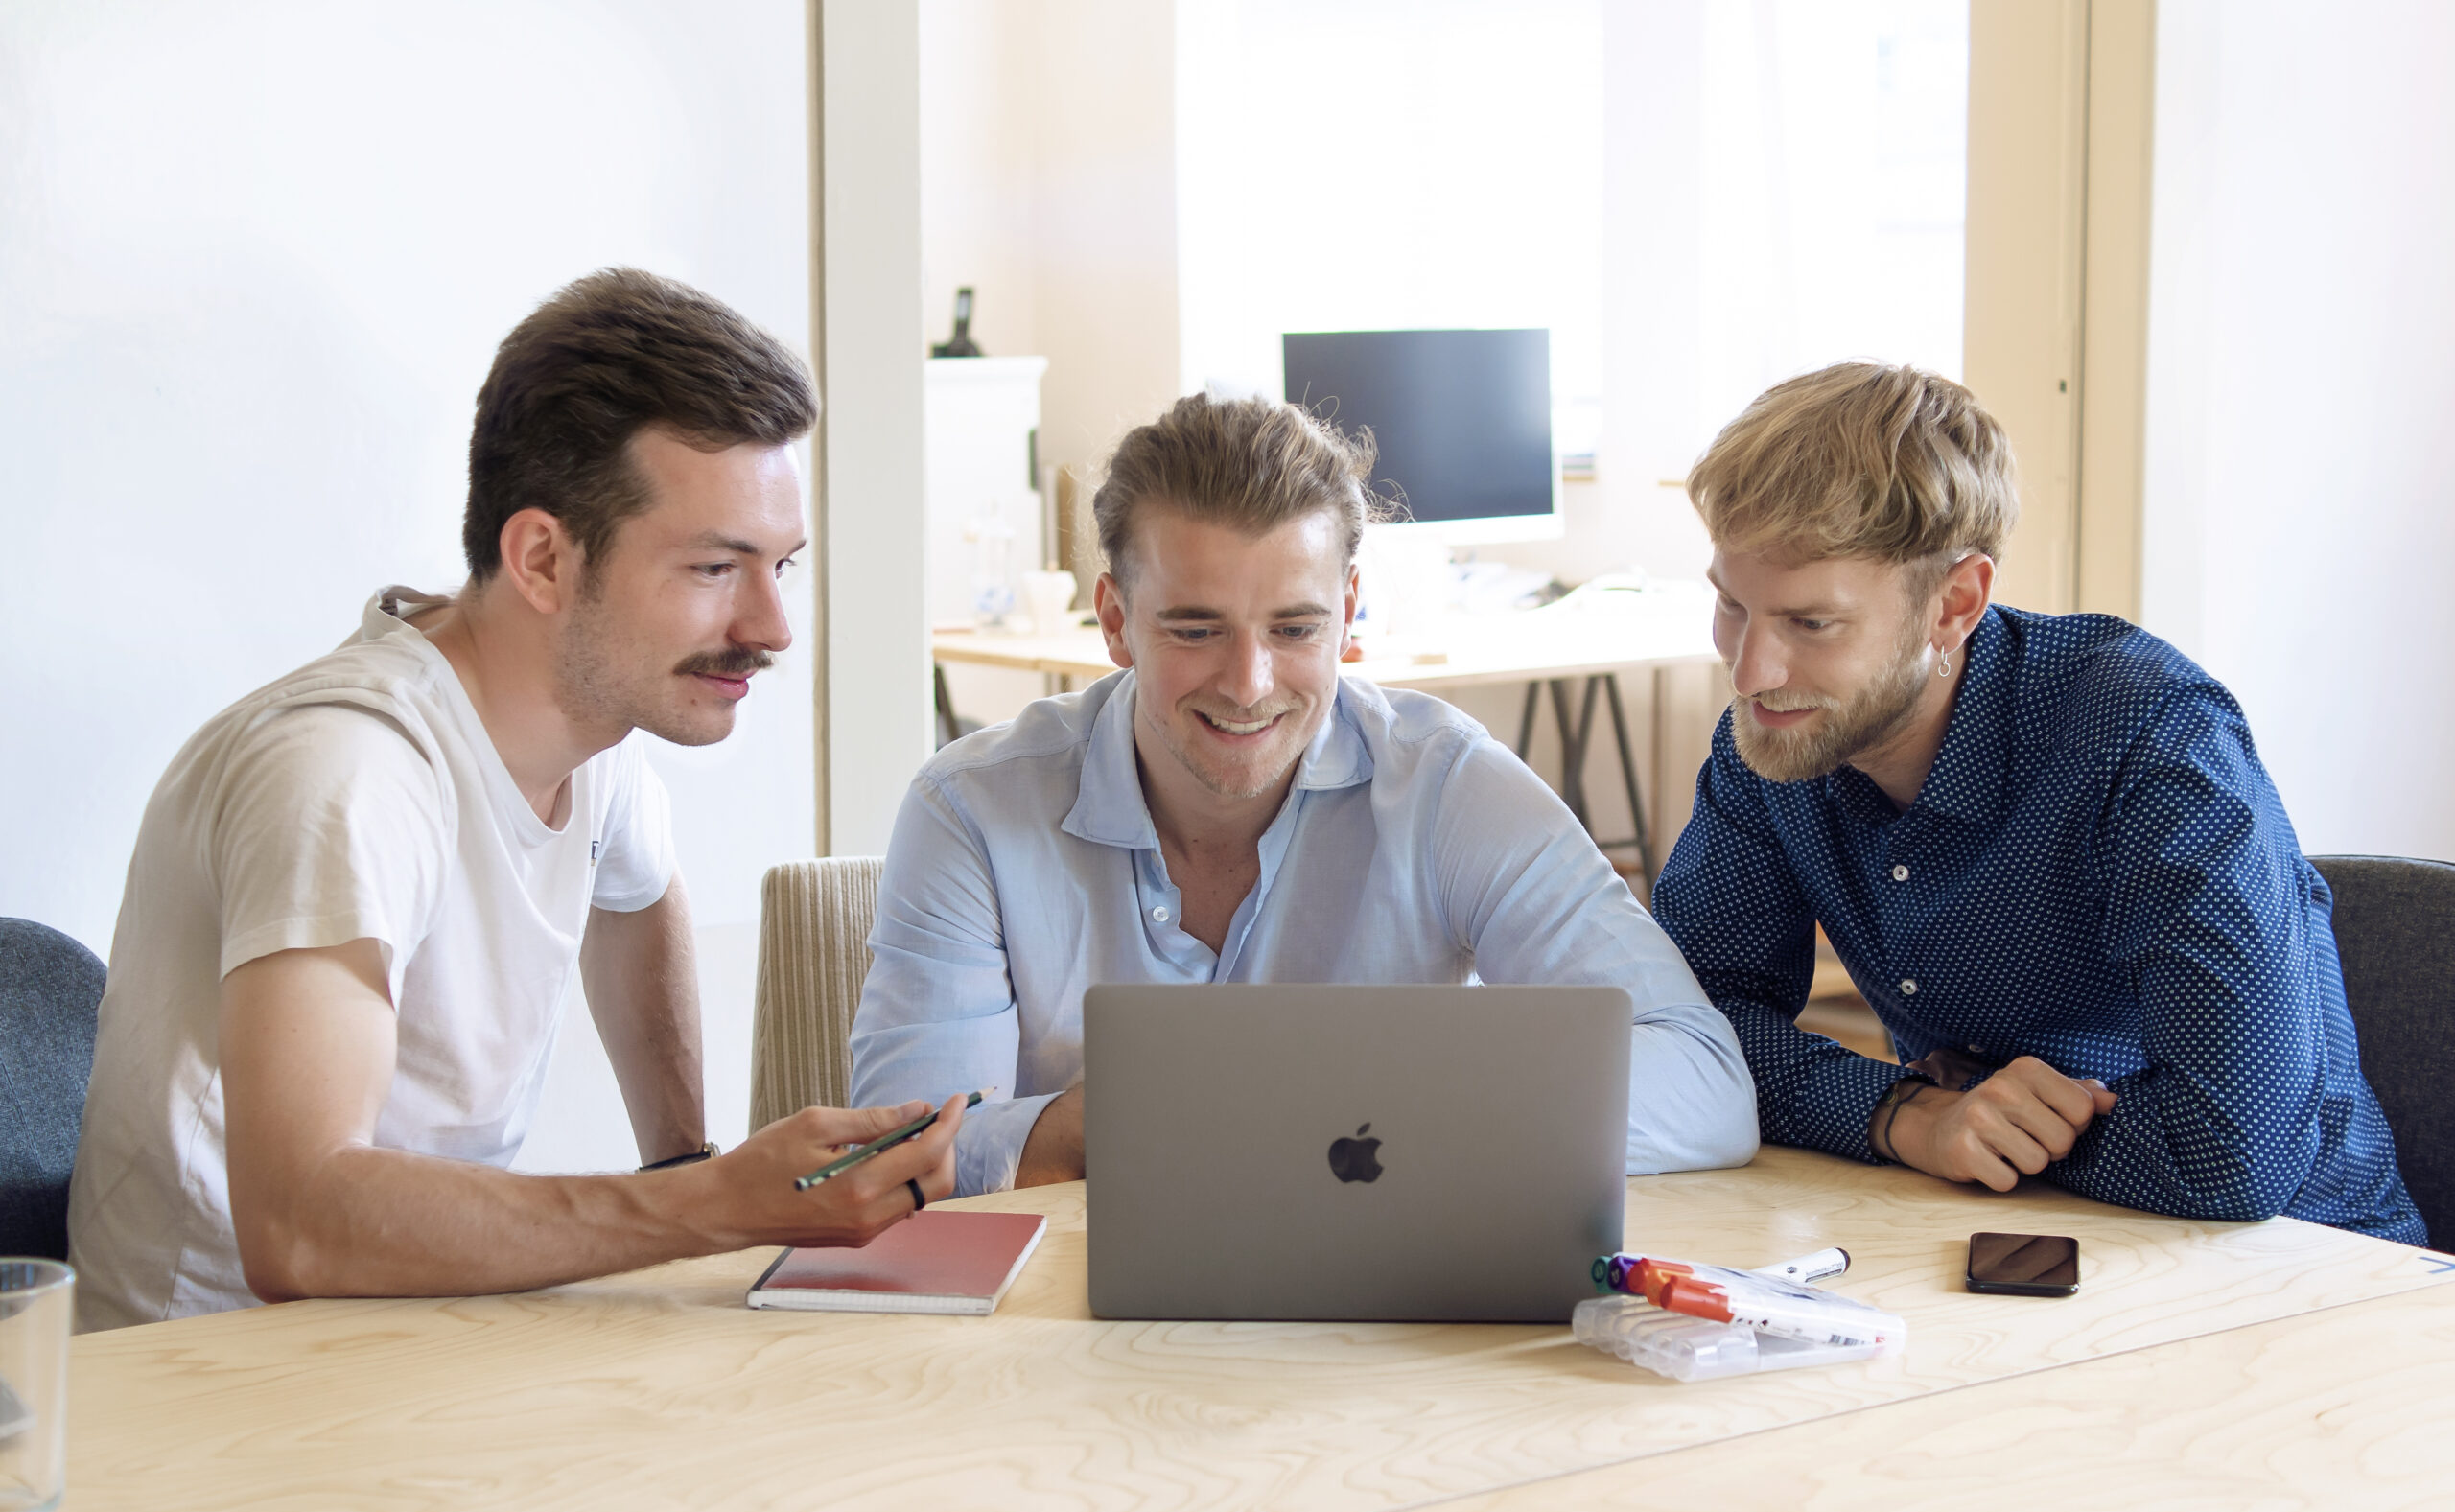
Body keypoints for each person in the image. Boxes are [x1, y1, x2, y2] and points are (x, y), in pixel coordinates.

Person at [68, 269, 966, 1330]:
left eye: (782, 566)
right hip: (213, 1389)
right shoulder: (346, 774)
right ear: (541, 557)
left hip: (417, 1340)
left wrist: (682, 1156)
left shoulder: (595, 732)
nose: (771, 626)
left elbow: (636, 900)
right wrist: (705, 1203)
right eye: (717, 567)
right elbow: (299, 1225)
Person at [849, 393, 1758, 1196]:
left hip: (1375, 1331)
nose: (1249, 683)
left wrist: (1338, 1106)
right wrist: (1233, 1111)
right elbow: (898, 1156)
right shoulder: (970, 809)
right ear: (1117, 621)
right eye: (1197, 628)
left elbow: (1705, 1086)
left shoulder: (1448, 785)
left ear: (1350, 615)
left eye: (1294, 628)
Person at [1648, 361, 2421, 1243]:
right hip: (2016, 1243)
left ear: (1954, 604)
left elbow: (2233, 1155)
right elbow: (1689, 1031)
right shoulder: (1777, 738)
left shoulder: (2148, 738)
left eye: (1810, 624)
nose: (1750, 672)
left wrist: (1974, 1123)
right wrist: (1910, 1115)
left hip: (2306, 1267)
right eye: (1731, 606)